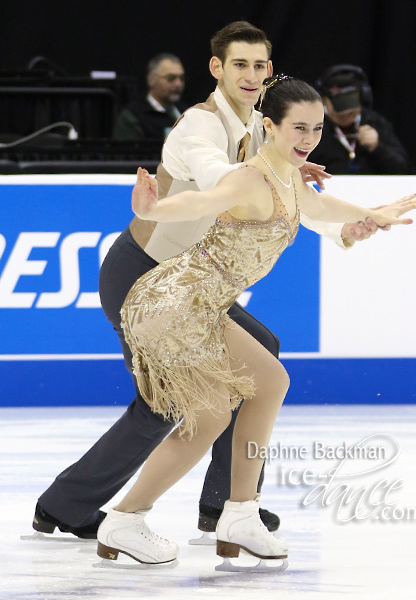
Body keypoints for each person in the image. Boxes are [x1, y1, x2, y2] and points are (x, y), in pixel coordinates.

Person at [32, 22, 382, 544]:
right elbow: (223, 181)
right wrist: (270, 171)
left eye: (260, 65)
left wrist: (337, 225)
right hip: (143, 273)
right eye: (239, 64)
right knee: (168, 403)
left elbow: (281, 206)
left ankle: (228, 505)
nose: (251, 74)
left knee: (262, 354)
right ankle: (67, 504)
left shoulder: (263, 131)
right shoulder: (200, 128)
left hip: (189, 282)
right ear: (217, 68)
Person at [95, 74, 416, 568]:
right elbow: (202, 201)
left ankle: (239, 515)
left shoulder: (291, 176)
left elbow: (316, 204)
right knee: (209, 416)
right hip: (172, 303)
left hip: (202, 304)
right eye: (298, 128)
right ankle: (124, 520)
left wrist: (372, 213)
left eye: (316, 129)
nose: (309, 139)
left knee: (270, 381)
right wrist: (157, 206)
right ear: (270, 126)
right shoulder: (248, 176)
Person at [309, 65, 411, 175]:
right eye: (340, 107)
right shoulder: (312, 128)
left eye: (350, 105)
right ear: (324, 101)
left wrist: (377, 147)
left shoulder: (375, 122)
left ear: (362, 97)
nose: (346, 113)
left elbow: (402, 168)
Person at [112, 53, 186, 160]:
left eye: (181, 78)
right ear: (151, 79)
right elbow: (129, 158)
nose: (178, 84)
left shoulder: (189, 112)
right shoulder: (132, 116)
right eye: (171, 78)